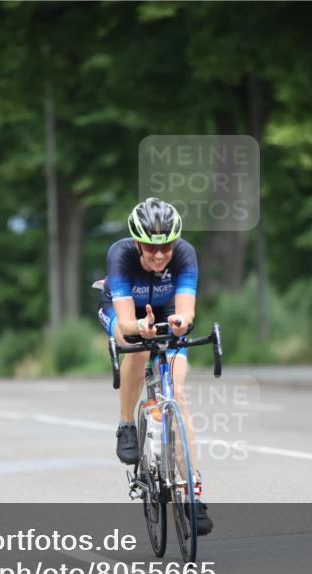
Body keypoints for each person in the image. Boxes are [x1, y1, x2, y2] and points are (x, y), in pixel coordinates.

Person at [96, 198, 212, 534]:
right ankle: (126, 425)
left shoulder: (186, 254)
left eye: (166, 247)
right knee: (133, 344)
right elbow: (129, 323)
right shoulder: (121, 255)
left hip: (165, 312)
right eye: (150, 247)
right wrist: (138, 329)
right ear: (137, 243)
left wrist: (180, 322)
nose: (159, 255)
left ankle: (191, 491)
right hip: (126, 312)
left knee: (176, 392)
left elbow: (187, 312)